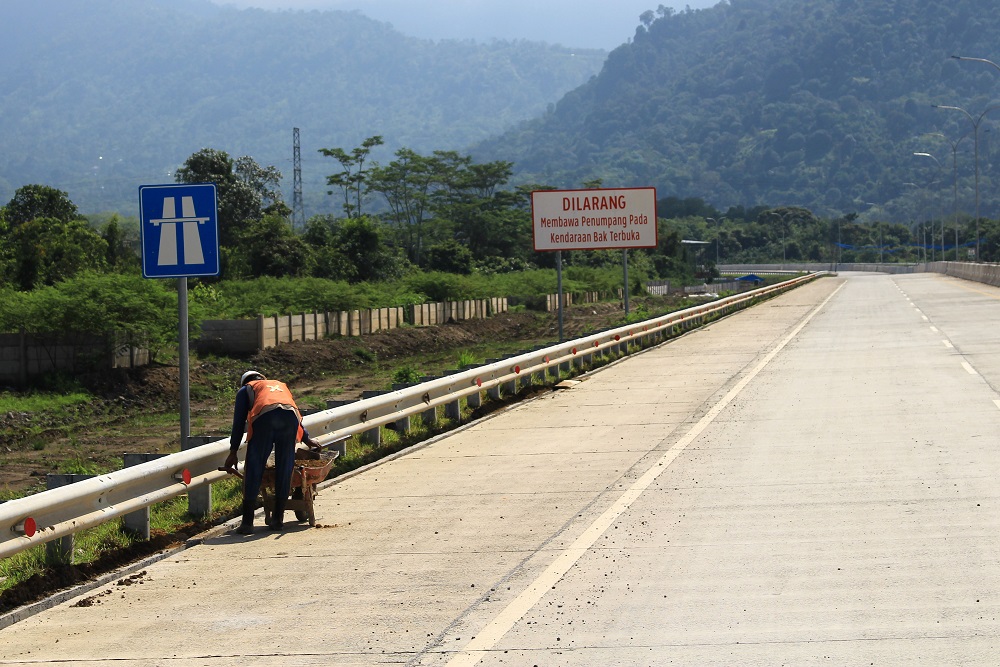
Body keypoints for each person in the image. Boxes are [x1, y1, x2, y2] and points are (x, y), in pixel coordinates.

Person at [225, 370, 319, 534]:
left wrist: (233, 452)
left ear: (246, 381)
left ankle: (247, 523)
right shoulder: (280, 385)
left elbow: (239, 423)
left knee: (254, 467)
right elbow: (294, 413)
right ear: (262, 379)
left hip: (265, 419)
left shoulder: (246, 389)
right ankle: (278, 520)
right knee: (285, 466)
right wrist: (307, 440)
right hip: (290, 418)